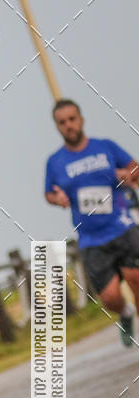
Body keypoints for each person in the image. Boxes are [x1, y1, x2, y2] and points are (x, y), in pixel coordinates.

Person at [45, 99, 139, 346]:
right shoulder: (55, 162)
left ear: (81, 120)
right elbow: (49, 194)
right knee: (109, 298)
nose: (69, 125)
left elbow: (134, 169)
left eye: (72, 119)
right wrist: (58, 199)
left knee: (136, 279)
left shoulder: (105, 147)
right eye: (62, 122)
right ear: (57, 127)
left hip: (122, 226)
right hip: (91, 239)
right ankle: (125, 313)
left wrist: (127, 174)